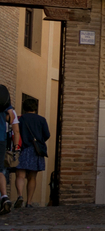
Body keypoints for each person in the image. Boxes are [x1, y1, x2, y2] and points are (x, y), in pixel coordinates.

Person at [13, 98, 49, 209]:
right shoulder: (41, 120)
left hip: (22, 149)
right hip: (36, 150)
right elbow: (47, 135)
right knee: (32, 177)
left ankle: (20, 196)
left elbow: (15, 132)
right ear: (35, 108)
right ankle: (29, 202)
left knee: (20, 175)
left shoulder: (20, 119)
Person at [0, 85, 17, 214]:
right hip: (1, 138)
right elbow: (11, 118)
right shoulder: (3, 96)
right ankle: (4, 196)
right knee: (0, 169)